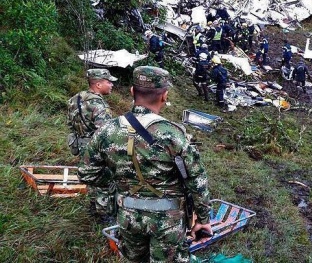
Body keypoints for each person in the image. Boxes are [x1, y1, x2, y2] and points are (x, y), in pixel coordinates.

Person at [78, 66, 212, 262]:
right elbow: (197, 180)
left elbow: (86, 173)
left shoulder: (106, 131)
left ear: (132, 91)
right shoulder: (173, 134)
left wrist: (118, 182)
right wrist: (203, 219)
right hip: (168, 220)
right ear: (164, 96)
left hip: (128, 216)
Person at [67, 68, 117, 219]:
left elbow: (70, 124)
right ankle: (104, 215)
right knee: (105, 181)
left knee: (90, 178)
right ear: (99, 84)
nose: (112, 85)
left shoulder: (75, 99)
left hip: (81, 145)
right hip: (96, 148)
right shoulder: (99, 105)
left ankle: (93, 208)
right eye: (109, 82)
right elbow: (105, 133)